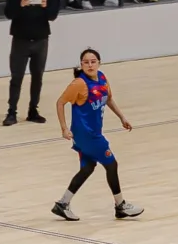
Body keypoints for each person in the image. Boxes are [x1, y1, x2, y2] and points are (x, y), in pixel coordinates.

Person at [50, 49, 140, 220]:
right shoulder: (79, 84)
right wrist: (63, 128)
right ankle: (121, 206)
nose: (90, 65)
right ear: (81, 64)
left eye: (93, 61)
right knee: (111, 165)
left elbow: (109, 99)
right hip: (88, 136)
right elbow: (60, 102)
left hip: (90, 135)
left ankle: (62, 203)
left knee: (88, 167)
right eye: (86, 62)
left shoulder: (103, 78)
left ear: (99, 62)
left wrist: (122, 117)